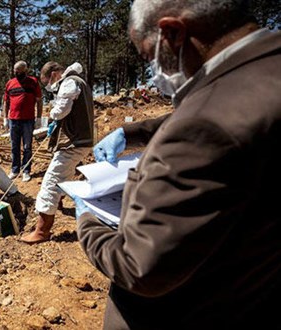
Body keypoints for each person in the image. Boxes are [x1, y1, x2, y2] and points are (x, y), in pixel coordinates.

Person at [72, 1, 281, 328]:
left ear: (172, 32)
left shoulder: (204, 126)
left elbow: (139, 268)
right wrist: (134, 133)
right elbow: (226, 106)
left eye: (147, 55)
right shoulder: (265, 69)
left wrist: (86, 219)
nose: (151, 68)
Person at [19, 62, 94, 244]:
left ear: (54, 75)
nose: (49, 87)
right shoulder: (79, 82)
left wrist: (52, 115)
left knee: (51, 181)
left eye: (47, 82)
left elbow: (61, 111)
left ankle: (42, 231)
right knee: (63, 174)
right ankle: (58, 202)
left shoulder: (68, 83)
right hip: (80, 140)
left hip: (73, 142)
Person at [2, 60, 43, 182]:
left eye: (19, 71)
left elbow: (39, 100)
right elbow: (6, 102)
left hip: (28, 120)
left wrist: (39, 117)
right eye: (15, 71)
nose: (16, 73)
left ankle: (26, 170)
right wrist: (5, 118)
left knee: (27, 147)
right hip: (13, 120)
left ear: (25, 71)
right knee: (14, 146)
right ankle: (15, 170)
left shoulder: (33, 82)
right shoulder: (10, 83)